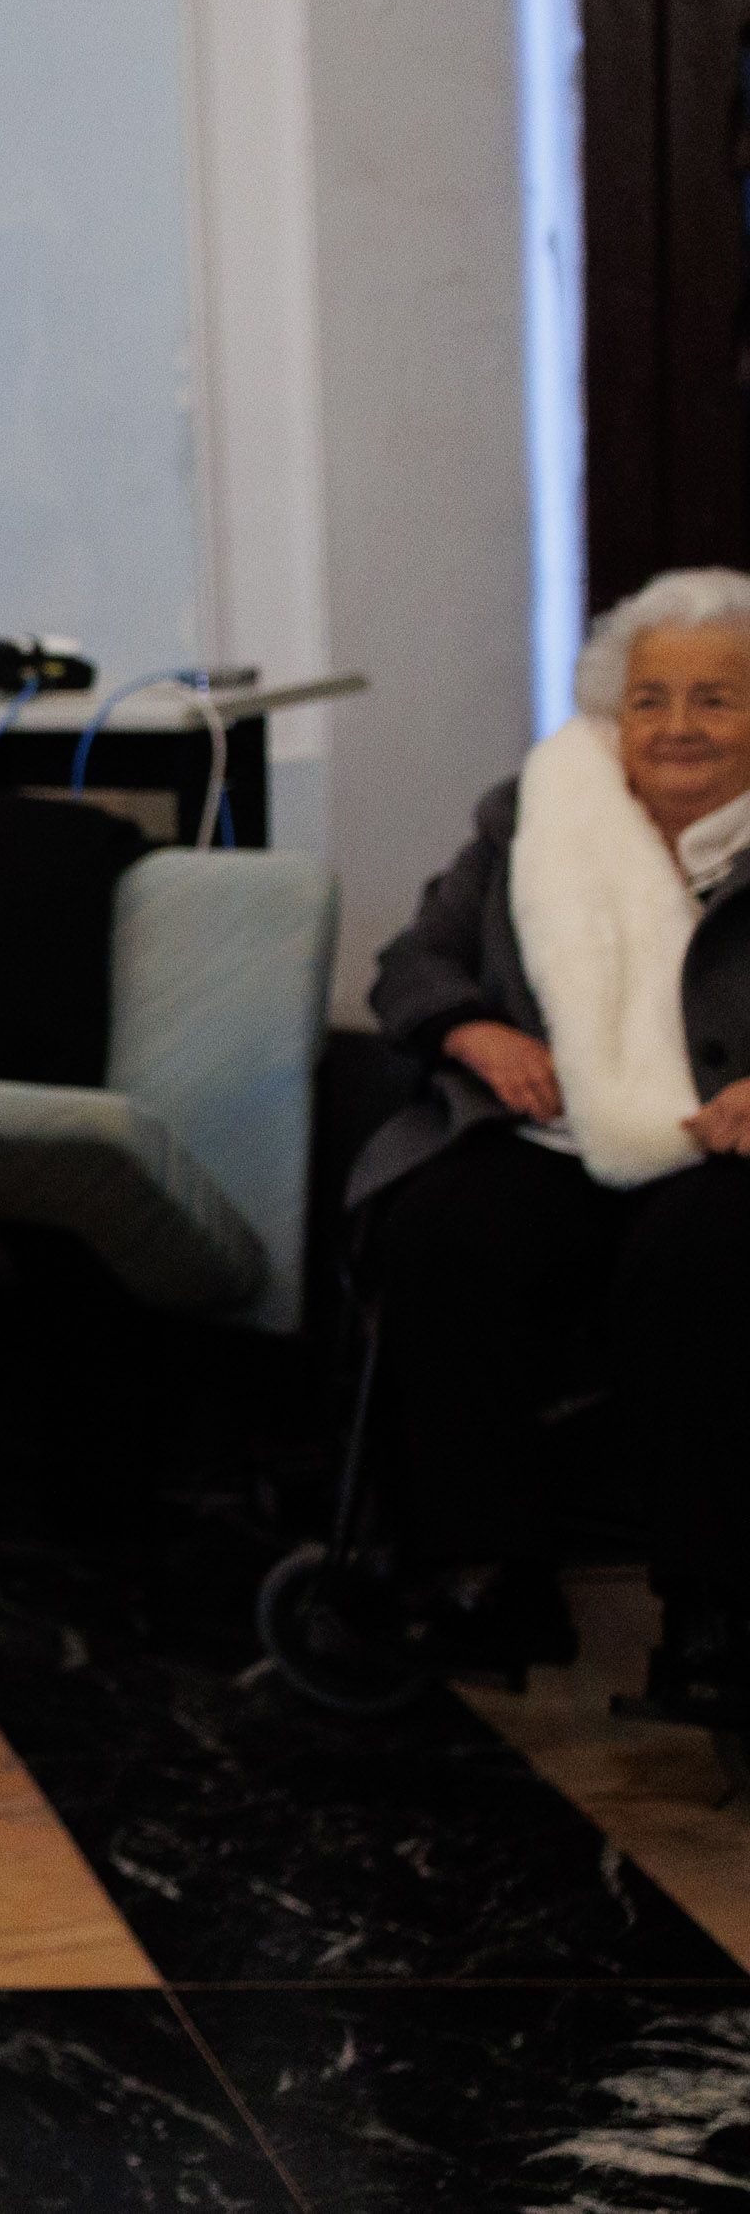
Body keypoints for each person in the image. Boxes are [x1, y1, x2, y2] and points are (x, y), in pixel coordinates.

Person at [343, 566, 750, 1714]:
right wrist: (471, 1029)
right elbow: (411, 962)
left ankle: (713, 1608)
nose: (676, 727)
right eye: (649, 698)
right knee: (442, 1228)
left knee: (694, 1257)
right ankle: (488, 1570)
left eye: (715, 699)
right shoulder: (536, 811)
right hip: (558, 1134)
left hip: (724, 1147)